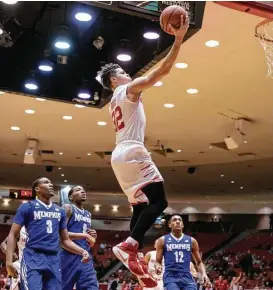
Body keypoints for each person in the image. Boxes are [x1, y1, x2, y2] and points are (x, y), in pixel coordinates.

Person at [97, 12, 190, 286]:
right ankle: (129, 245)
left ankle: (132, 251)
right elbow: (160, 72)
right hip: (132, 151)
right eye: (123, 74)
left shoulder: (114, 101)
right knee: (159, 202)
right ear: (114, 80)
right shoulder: (127, 91)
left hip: (119, 155)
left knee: (140, 204)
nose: (128, 75)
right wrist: (179, 40)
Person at [5, 177, 90, 290]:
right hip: (33, 257)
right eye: (46, 182)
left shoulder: (60, 211)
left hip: (54, 259)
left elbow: (65, 240)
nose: (50, 185)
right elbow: (12, 235)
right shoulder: (27, 207)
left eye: (50, 182)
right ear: (37, 189)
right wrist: (8, 262)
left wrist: (82, 251)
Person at [155, 215, 211, 290]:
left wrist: (204, 274)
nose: (177, 222)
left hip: (186, 275)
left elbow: (199, 262)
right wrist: (158, 266)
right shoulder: (162, 240)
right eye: (174, 220)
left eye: (179, 220)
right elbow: (158, 261)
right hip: (171, 275)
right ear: (169, 225)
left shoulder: (192, 241)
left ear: (183, 224)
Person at [61, 185, 99, 290]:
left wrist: (92, 238)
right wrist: (84, 235)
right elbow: (59, 235)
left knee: (91, 287)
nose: (83, 192)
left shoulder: (88, 214)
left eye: (84, 190)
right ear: (71, 197)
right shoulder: (67, 208)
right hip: (67, 255)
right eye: (78, 190)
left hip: (85, 256)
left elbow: (89, 242)